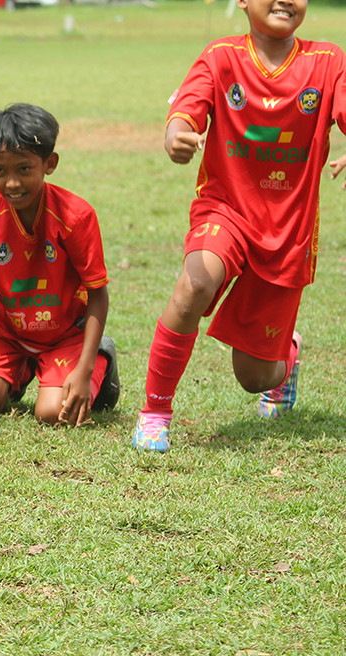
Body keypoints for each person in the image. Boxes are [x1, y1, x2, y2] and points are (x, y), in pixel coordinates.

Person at [131, 0, 346, 453]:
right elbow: (185, 112)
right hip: (225, 210)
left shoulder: (327, 62)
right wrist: (177, 135)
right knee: (193, 284)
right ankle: (155, 413)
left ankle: (286, 356)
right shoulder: (221, 56)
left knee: (252, 377)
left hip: (288, 234)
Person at [0, 103, 119, 429]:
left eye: (24, 169)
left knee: (52, 413)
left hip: (65, 335)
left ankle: (100, 357)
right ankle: (20, 370)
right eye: (0, 171)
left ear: (49, 163)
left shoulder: (76, 216)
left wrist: (83, 371)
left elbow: (98, 294)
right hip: (7, 334)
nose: (12, 183)